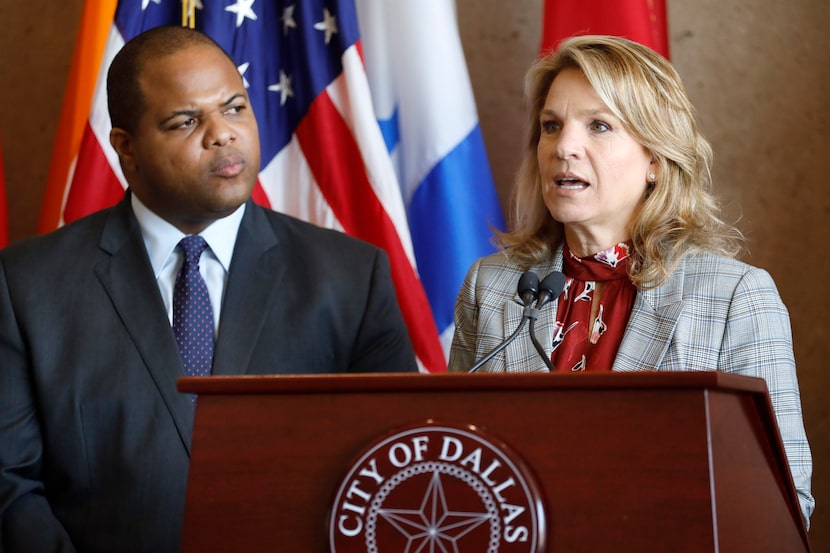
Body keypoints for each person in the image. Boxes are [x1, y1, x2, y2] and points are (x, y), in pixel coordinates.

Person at [0, 26, 417, 553]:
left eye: (235, 107)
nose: (222, 134)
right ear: (125, 148)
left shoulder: (351, 278)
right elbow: (10, 485)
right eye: (186, 121)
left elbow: (391, 470)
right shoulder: (26, 286)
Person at [448, 35, 814, 528]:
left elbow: (784, 502)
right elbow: (457, 465)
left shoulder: (734, 297)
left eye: (598, 126)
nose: (564, 147)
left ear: (655, 161)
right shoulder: (490, 286)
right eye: (551, 126)